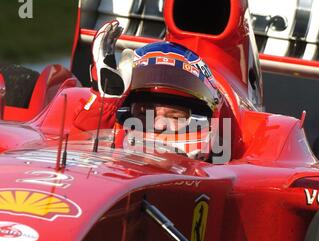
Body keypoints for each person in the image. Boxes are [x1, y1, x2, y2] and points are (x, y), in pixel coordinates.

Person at [75, 20, 226, 162]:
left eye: (175, 117)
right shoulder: (112, 136)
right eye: (143, 114)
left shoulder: (230, 160)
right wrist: (104, 105)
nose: (159, 125)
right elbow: (72, 156)